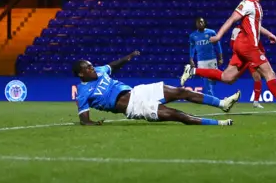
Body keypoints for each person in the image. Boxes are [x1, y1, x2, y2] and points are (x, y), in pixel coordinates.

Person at [180, 0, 276, 117]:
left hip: (244, 47)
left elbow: (256, 26)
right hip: (248, 46)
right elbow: (232, 19)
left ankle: (193, 71)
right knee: (269, 73)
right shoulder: (248, 3)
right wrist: (219, 36)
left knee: (228, 77)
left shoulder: (257, 5)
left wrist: (269, 34)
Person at [73, 51, 240, 126]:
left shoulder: (101, 71)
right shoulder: (82, 92)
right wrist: (91, 123)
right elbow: (84, 118)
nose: (92, 68)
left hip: (138, 91)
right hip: (135, 107)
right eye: (88, 68)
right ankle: (219, 123)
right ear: (81, 74)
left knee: (182, 91)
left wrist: (128, 57)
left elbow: (113, 65)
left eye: (91, 66)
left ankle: (222, 104)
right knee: (177, 115)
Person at [231, 25, 264, 109]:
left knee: (257, 77)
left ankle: (256, 102)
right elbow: (232, 43)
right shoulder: (236, 29)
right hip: (241, 56)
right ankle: (228, 98)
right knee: (231, 78)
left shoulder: (253, 28)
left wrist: (261, 52)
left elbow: (257, 42)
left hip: (251, 56)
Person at [189, 17, 223, 97]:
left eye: (201, 22)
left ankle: (211, 92)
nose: (200, 24)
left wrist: (220, 57)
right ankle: (210, 95)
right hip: (201, 61)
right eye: (198, 22)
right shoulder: (193, 36)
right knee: (205, 78)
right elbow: (192, 48)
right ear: (196, 24)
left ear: (204, 23)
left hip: (212, 59)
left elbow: (218, 45)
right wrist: (191, 59)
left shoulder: (211, 32)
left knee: (213, 78)